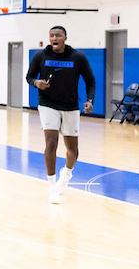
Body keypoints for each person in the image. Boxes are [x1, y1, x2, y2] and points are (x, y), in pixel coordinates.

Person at [26, 25, 95, 204]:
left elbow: (90, 80)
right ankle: (52, 187)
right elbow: (29, 77)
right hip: (47, 104)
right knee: (51, 143)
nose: (54, 38)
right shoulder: (41, 56)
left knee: (73, 149)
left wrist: (90, 100)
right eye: (51, 36)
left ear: (65, 38)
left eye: (58, 35)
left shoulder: (77, 57)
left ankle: (66, 175)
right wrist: (36, 83)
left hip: (70, 106)